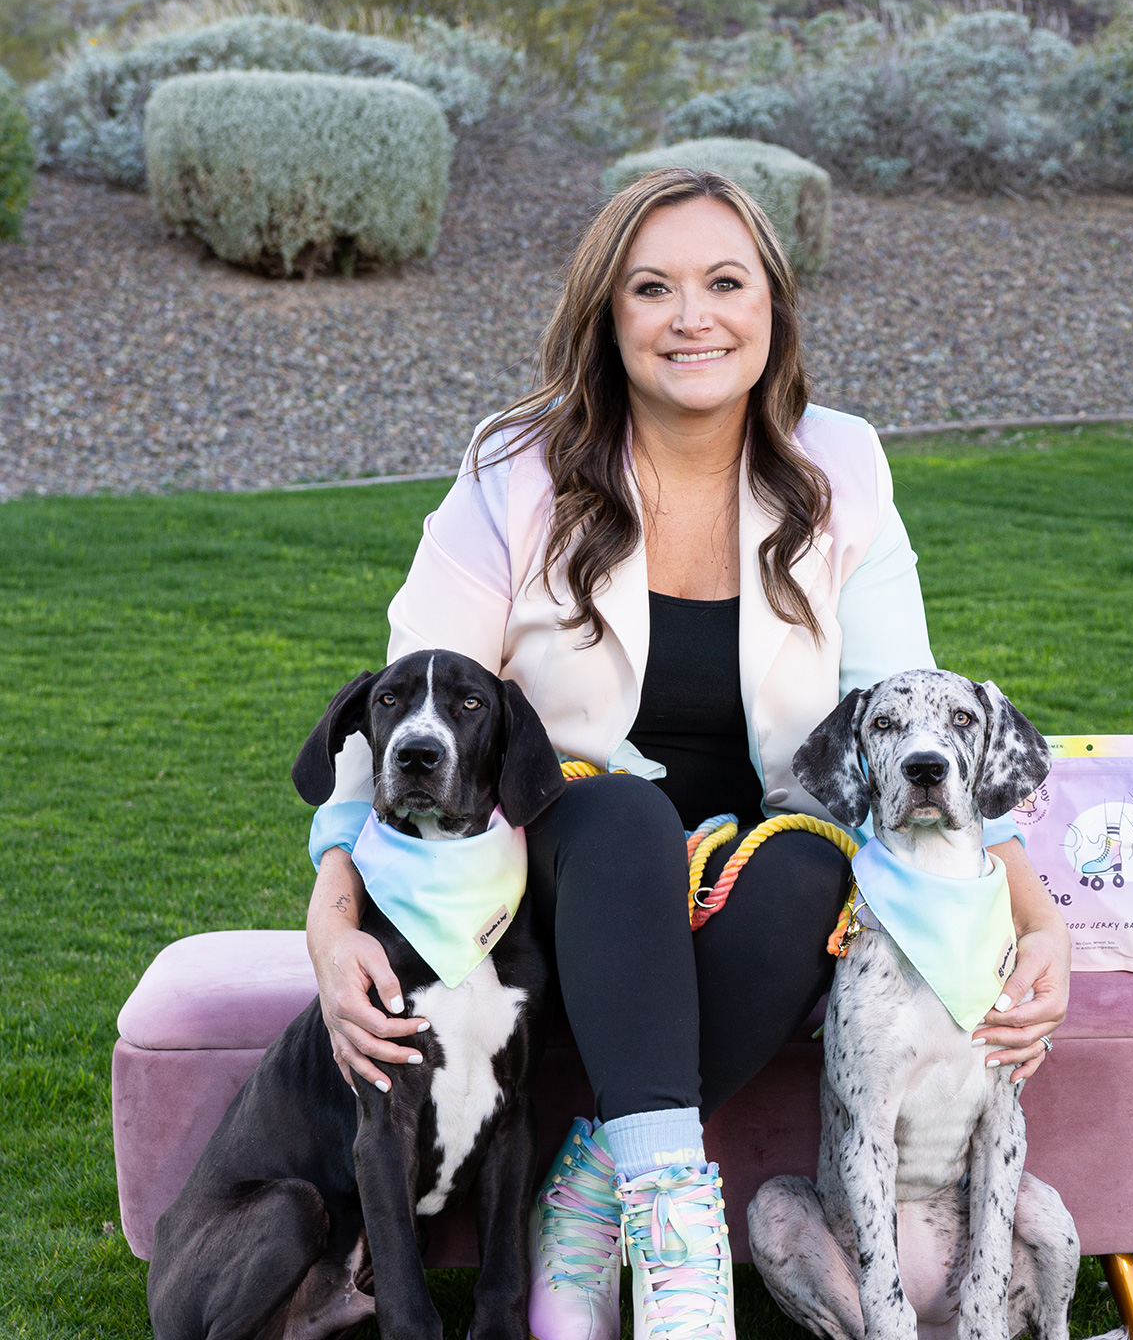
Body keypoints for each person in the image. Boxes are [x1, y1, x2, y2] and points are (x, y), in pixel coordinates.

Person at [303, 168, 1071, 1340]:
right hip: (563, 851)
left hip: (755, 851)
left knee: (815, 866)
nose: (691, 316)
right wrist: (333, 899)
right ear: (607, 315)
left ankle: (592, 1188)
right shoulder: (516, 462)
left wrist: (1040, 913)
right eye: (651, 288)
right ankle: (682, 1264)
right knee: (620, 819)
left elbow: (903, 706)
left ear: (772, 306)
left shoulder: (843, 463)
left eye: (725, 282)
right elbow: (408, 684)